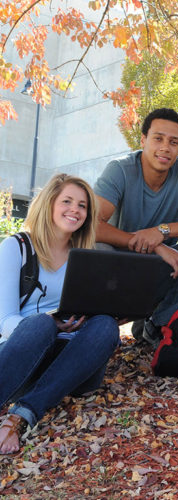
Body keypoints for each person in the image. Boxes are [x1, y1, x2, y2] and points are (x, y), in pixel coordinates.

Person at [0, 174, 119, 454]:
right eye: (67, 201)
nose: (75, 210)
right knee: (40, 324)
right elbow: (4, 322)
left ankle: (22, 415)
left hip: (69, 365)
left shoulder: (84, 256)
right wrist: (51, 325)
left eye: (82, 206)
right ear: (49, 204)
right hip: (21, 355)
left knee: (105, 326)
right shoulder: (15, 247)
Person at [94, 108, 178, 346]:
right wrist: (154, 244)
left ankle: (157, 323)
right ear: (143, 140)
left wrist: (162, 231)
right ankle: (100, 330)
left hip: (163, 270)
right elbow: (92, 226)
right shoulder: (120, 170)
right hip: (121, 267)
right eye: (158, 138)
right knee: (96, 247)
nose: (165, 147)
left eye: (173, 142)